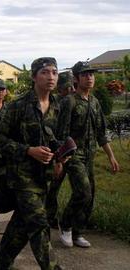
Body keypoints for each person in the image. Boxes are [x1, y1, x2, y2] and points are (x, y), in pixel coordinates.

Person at [0, 57, 63, 270]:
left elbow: (56, 138)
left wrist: (61, 157)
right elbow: (1, 141)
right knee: (38, 224)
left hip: (45, 175)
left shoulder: (57, 106)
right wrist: (28, 150)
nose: (50, 77)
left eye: (54, 72)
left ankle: (1, 262)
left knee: (22, 224)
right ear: (34, 77)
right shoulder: (18, 106)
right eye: (45, 72)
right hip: (21, 176)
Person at [57, 61, 119, 248]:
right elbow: (61, 133)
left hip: (90, 155)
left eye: (91, 74)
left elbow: (101, 132)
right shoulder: (69, 101)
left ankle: (78, 232)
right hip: (73, 155)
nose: (89, 77)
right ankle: (65, 225)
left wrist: (111, 156)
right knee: (82, 191)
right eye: (85, 75)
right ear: (76, 79)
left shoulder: (94, 102)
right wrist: (60, 159)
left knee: (90, 194)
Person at [46, 71, 75, 227]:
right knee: (54, 186)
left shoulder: (73, 102)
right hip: (56, 150)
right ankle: (50, 217)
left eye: (71, 87)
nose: (70, 91)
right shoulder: (54, 104)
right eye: (66, 88)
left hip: (72, 151)